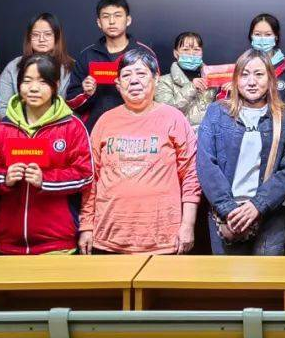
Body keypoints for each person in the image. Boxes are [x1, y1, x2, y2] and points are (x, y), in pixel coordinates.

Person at [79, 49, 199, 255]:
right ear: (118, 84)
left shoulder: (174, 118)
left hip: (164, 239)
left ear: (156, 79)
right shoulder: (105, 121)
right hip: (108, 238)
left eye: (141, 74)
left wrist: (188, 225)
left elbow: (191, 175)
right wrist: (86, 226)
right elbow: (91, 178)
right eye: (126, 75)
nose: (134, 80)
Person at [0, 54, 93, 255]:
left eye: (42, 82)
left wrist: (45, 180)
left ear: (56, 85)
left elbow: (85, 175)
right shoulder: (2, 128)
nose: (33, 88)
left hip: (57, 243)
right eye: (27, 81)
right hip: (8, 244)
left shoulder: (72, 127)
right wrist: (5, 178)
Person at [197, 49, 285, 255]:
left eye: (259, 74)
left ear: (270, 79)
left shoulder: (284, 116)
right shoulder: (217, 112)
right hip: (227, 214)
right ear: (236, 80)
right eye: (244, 75)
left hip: (270, 214)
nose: (251, 82)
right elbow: (206, 164)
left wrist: (257, 205)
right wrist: (228, 209)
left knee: (267, 275)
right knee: (228, 276)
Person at [65, 0, 157, 132]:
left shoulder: (144, 53)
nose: (112, 21)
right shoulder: (87, 55)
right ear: (99, 22)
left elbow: (156, 95)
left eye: (118, 15)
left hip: (138, 129)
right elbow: (71, 103)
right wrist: (86, 93)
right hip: (97, 130)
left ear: (128, 20)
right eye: (106, 16)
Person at [0, 13, 74, 118]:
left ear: (57, 37)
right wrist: (22, 125)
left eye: (48, 34)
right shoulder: (14, 66)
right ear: (29, 38)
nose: (41, 39)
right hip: (18, 124)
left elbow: (74, 107)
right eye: (36, 35)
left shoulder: (71, 67)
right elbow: (3, 107)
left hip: (59, 125)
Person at [242, 13, 285, 110]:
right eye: (257, 34)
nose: (262, 39)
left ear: (276, 36)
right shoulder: (241, 66)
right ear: (251, 36)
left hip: (281, 119)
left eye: (268, 34)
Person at [155, 31, 217, 129]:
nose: (191, 54)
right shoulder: (163, 81)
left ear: (202, 52)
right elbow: (165, 112)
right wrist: (191, 87)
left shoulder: (213, 79)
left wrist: (230, 94)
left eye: (196, 49)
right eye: (185, 49)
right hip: (179, 135)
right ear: (176, 53)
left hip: (209, 135)